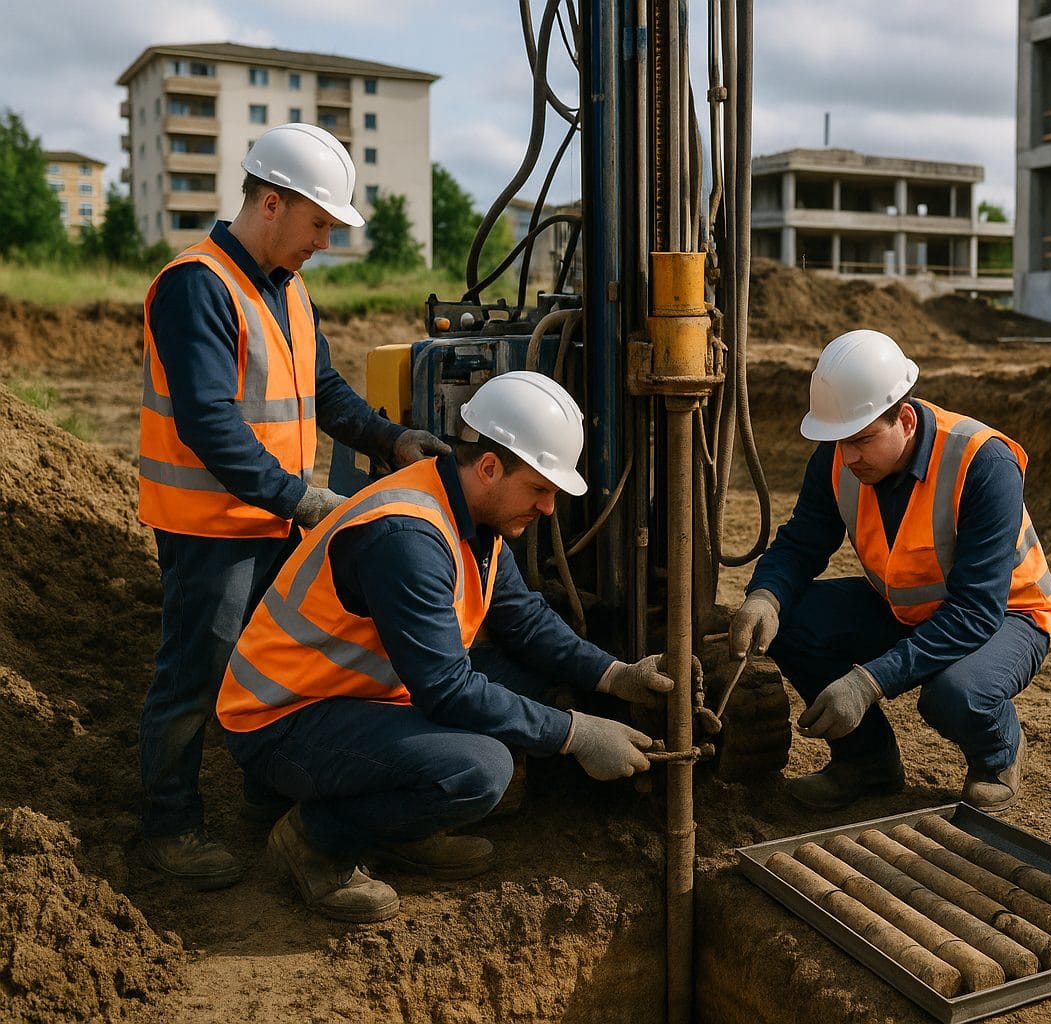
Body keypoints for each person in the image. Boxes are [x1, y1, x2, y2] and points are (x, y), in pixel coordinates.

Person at [214, 371, 670, 923]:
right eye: (540, 489)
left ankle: (396, 827)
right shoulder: (408, 538)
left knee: (513, 691)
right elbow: (448, 690)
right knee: (478, 770)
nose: (549, 508)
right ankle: (315, 841)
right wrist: (575, 734)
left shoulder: (467, 510)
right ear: (489, 468)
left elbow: (523, 618)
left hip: (353, 696)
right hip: (281, 719)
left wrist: (614, 674)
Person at [136, 122, 451, 890]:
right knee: (195, 677)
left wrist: (390, 438)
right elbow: (210, 423)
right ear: (271, 203)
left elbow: (325, 388)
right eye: (320, 223)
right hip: (211, 528)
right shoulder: (198, 284)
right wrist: (307, 498)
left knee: (275, 671)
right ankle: (168, 828)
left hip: (273, 519)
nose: (325, 241)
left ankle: (264, 797)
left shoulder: (287, 287)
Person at [729, 329, 1051, 812]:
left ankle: (997, 753)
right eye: (840, 441)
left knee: (953, 694)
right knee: (792, 620)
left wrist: (867, 683)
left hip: (1006, 616)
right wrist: (765, 597)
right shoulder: (841, 454)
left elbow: (974, 611)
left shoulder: (983, 462)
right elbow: (801, 543)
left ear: (904, 419)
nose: (849, 456)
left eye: (862, 440)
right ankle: (866, 765)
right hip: (906, 606)